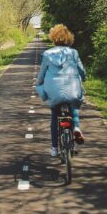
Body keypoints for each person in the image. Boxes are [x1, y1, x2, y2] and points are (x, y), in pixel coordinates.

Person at [36, 24, 86, 157]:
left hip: (54, 92)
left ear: (53, 38)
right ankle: (76, 127)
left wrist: (38, 84)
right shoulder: (74, 53)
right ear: (68, 38)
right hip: (72, 89)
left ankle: (54, 148)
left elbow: (42, 74)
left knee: (54, 116)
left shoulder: (47, 54)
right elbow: (81, 71)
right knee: (74, 103)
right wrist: (83, 77)